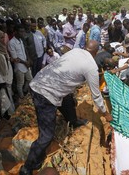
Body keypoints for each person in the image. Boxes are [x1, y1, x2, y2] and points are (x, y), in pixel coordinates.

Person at [19, 40, 112, 175]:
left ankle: (73, 120)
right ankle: (28, 167)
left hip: (40, 80)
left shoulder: (75, 51)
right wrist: (105, 113)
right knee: (46, 136)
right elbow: (96, 96)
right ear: (96, 52)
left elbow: (65, 73)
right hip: (44, 93)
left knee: (68, 99)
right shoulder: (91, 67)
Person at [8, 24, 33, 99]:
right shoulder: (11, 42)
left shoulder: (21, 40)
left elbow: (24, 51)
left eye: (23, 31)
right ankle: (22, 97)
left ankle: (25, 91)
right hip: (19, 66)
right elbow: (15, 57)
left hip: (26, 64)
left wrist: (28, 60)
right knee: (20, 83)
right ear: (15, 32)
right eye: (20, 32)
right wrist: (25, 62)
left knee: (30, 80)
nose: (22, 33)